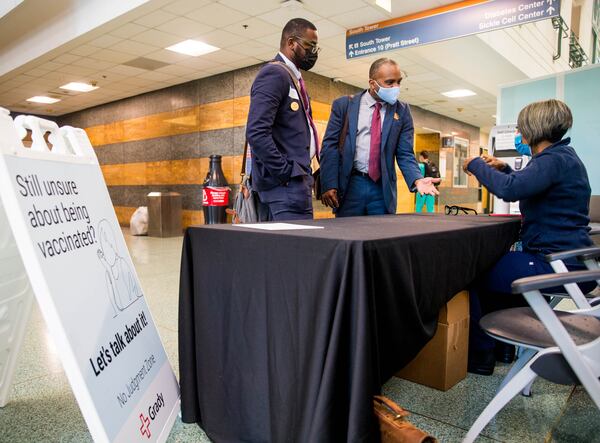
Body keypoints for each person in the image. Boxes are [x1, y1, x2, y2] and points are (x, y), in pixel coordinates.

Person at [462, 99, 595, 375]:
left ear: (534, 129)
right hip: (571, 261)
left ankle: (480, 357)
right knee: (503, 272)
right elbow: (528, 184)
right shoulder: (563, 158)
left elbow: (510, 191)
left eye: (522, 129)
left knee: (473, 273)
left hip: (555, 264)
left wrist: (476, 163)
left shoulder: (553, 160)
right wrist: (505, 170)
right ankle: (504, 349)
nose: (520, 135)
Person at [320, 58, 439, 216]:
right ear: (372, 83)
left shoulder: (402, 111)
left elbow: (405, 153)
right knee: (347, 234)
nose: (396, 87)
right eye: (390, 82)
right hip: (350, 185)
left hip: (382, 189)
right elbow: (330, 146)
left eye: (399, 82)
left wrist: (417, 179)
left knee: (381, 237)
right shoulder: (344, 106)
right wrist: (329, 183)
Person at [245, 18, 320, 221]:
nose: (314, 52)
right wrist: (285, 172)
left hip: (296, 182)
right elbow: (256, 132)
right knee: (295, 250)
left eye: (316, 47)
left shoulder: (294, 79)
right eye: (309, 45)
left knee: (294, 250)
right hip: (285, 186)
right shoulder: (274, 74)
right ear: (290, 43)